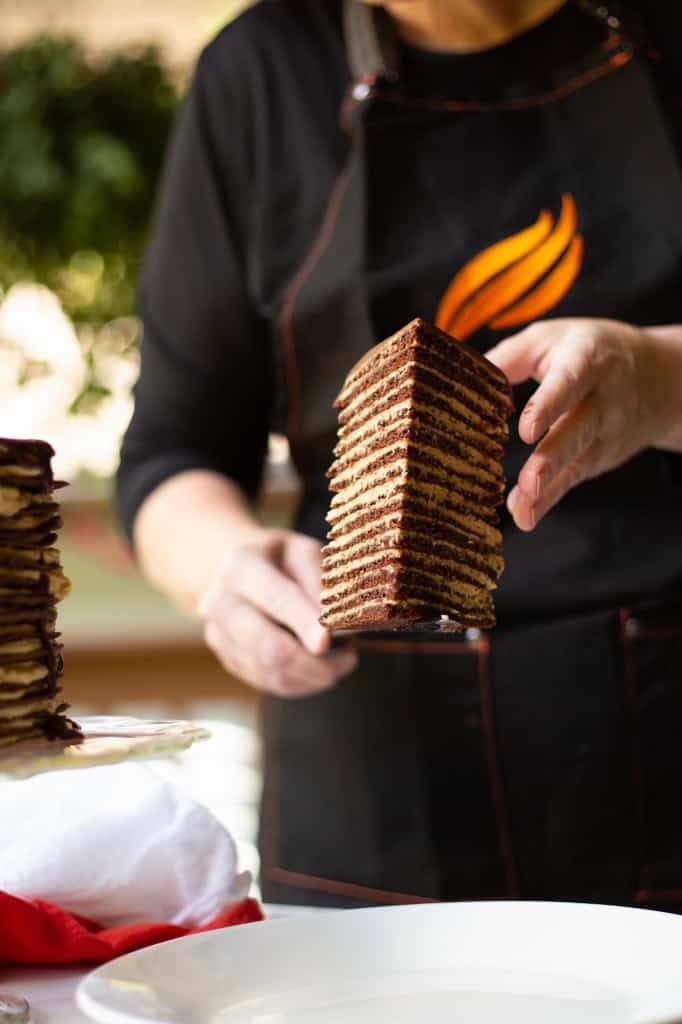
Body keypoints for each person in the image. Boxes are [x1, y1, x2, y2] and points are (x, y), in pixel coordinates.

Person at [117, 0, 682, 909]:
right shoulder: (261, 74)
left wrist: (662, 379)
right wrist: (225, 566)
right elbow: (169, 456)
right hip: (373, 784)